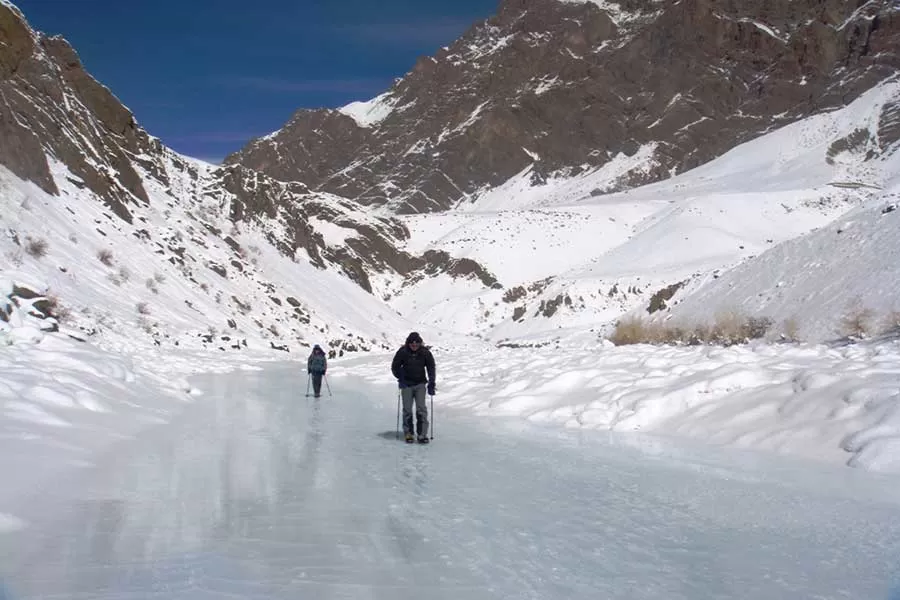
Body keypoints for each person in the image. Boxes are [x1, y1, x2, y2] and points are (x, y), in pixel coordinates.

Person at [391, 331, 436, 443]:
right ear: (408, 343)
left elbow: (431, 367)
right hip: (406, 385)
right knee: (407, 410)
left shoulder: (425, 353)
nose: (414, 346)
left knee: (421, 409)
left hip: (420, 384)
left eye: (416, 343)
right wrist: (400, 378)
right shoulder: (403, 352)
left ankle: (422, 434)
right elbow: (395, 366)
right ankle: (408, 433)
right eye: (412, 343)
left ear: (420, 343)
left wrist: (432, 382)